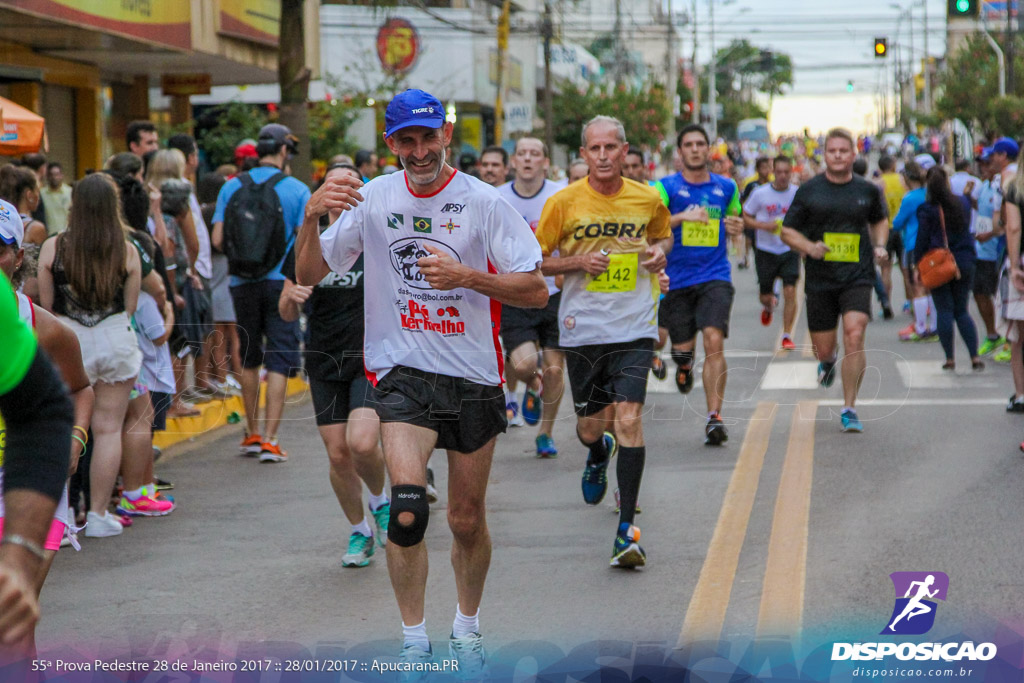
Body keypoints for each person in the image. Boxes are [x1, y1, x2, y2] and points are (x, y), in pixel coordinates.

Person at [295, 88, 546, 676]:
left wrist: (467, 276)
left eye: (427, 137)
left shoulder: (483, 203)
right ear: (391, 144)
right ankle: (414, 640)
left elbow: (534, 287)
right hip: (402, 374)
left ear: (445, 136)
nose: (419, 149)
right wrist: (311, 218)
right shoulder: (374, 197)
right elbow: (310, 272)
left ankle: (467, 625)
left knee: (465, 518)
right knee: (407, 511)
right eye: (406, 140)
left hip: (474, 377)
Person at [536, 114, 672, 568]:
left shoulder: (647, 198)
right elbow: (536, 261)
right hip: (582, 328)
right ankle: (598, 453)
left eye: (610, 148)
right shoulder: (564, 202)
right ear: (583, 154)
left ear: (624, 150)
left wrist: (658, 253)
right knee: (590, 427)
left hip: (634, 326)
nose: (603, 156)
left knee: (630, 418)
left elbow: (662, 237)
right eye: (594, 149)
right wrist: (578, 264)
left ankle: (626, 531)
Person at [279, 162, 390, 568]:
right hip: (323, 359)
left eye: (352, 184)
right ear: (322, 193)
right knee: (339, 454)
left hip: (368, 356)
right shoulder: (308, 239)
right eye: (335, 184)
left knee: (362, 443)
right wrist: (292, 299)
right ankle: (360, 531)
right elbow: (286, 313)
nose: (343, 192)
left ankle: (380, 500)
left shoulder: (372, 237)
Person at [36, 173, 143, 535]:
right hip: (115, 338)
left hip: (68, 338)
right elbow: (130, 307)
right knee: (108, 429)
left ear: (75, 205)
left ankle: (61, 521)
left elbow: (47, 306)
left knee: (62, 429)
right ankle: (98, 514)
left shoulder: (54, 247)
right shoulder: (127, 249)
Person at [212, 124, 310, 463]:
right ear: (284, 151)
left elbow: (216, 240)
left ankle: (251, 433)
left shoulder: (231, 187)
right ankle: (271, 439)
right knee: (280, 358)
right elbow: (305, 242)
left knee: (249, 356)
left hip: (241, 282)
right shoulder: (297, 190)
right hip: (281, 282)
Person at [780, 128, 889, 433]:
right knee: (824, 349)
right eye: (832, 151)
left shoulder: (867, 190)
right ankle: (827, 362)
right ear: (825, 154)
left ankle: (850, 407)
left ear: (854, 155)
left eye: (844, 151)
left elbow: (880, 219)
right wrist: (810, 247)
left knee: (854, 334)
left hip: (857, 275)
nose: (838, 155)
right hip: (821, 279)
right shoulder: (810, 190)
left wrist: (880, 244)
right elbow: (787, 231)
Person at [654, 124, 744, 445]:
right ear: (680, 152)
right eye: (688, 144)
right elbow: (651, 226)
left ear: (709, 150)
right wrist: (682, 218)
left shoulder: (727, 187)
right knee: (682, 350)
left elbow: (735, 221)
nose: (694, 149)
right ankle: (683, 365)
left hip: (714, 276)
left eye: (700, 144)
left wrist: (736, 226)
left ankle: (714, 417)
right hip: (676, 279)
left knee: (713, 339)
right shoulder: (664, 187)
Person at [0, 271, 74, 655]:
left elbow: (44, 409)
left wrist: (17, 556)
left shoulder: (42, 326)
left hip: (13, 486)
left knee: (13, 638)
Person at [496, 137, 567, 457]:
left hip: (555, 293)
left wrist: (567, 266)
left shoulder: (559, 195)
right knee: (524, 365)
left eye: (534, 153)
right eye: (521, 154)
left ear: (545, 162)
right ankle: (534, 387)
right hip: (516, 293)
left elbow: (571, 235)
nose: (527, 159)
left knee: (554, 369)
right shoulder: (497, 197)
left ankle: (545, 434)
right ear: (513, 162)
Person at [914, 167, 983, 371]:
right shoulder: (962, 202)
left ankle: (950, 358)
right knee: (962, 311)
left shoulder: (928, 208)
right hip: (964, 259)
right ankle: (974, 356)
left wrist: (917, 263)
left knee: (944, 309)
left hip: (939, 264)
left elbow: (922, 240)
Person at [742, 155, 799, 350]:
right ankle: (767, 306)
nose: (783, 176)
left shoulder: (797, 193)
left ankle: (787, 334)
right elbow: (746, 216)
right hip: (766, 249)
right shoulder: (760, 193)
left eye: (786, 172)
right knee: (766, 295)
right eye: (779, 172)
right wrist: (763, 225)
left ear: (791, 172)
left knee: (790, 291)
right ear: (773, 172)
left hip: (789, 249)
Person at [892, 161, 937, 342]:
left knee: (916, 286)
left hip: (913, 244)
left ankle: (920, 327)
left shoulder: (910, 198)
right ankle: (934, 326)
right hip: (931, 244)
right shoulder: (929, 194)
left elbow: (897, 223)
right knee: (930, 286)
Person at [972, 154, 1007, 358]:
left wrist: (990, 234)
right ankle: (993, 335)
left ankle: (1010, 342)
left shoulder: (1000, 185)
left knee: (1002, 297)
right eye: (980, 164)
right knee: (980, 293)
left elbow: (1004, 219)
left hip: (998, 250)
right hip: (982, 251)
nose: (983, 167)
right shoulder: (984, 186)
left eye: (986, 163)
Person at [877, 155, 911, 315]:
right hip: (903, 228)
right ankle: (911, 303)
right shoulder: (902, 181)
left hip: (886, 229)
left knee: (885, 269)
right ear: (892, 165)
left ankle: (886, 303)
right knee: (906, 269)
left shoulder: (878, 183)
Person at [738, 156, 772, 269]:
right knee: (751, 241)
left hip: (768, 221)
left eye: (768, 167)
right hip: (753, 221)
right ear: (758, 169)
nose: (766, 170)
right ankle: (747, 257)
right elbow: (743, 201)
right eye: (763, 168)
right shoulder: (751, 185)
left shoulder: (773, 184)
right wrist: (745, 216)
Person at [39, 163, 72, 236]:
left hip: (66, 234)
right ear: (47, 176)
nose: (54, 177)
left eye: (57, 174)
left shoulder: (70, 192)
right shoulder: (41, 194)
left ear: (62, 175)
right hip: (48, 234)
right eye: (51, 175)